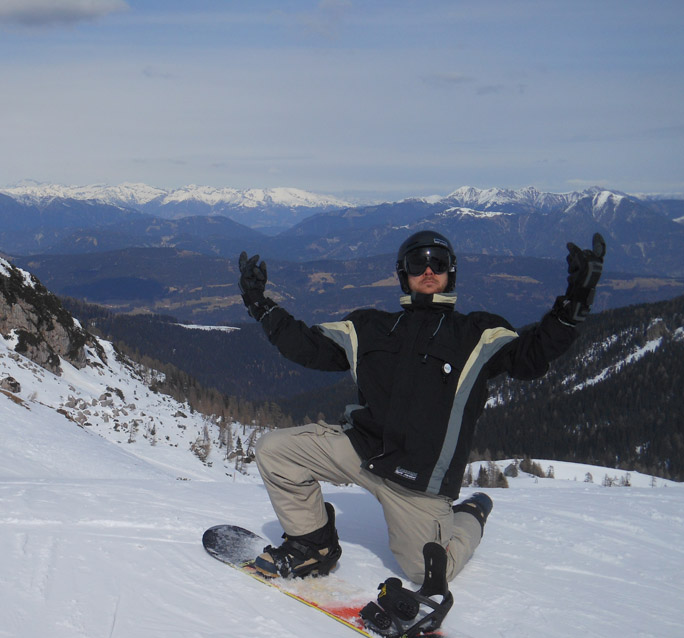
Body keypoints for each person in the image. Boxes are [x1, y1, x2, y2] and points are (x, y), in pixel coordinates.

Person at [237, 230, 605, 585]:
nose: (428, 271)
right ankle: (313, 546)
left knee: (427, 571)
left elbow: (531, 355)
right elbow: (307, 346)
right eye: (417, 263)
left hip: (419, 481)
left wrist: (576, 301)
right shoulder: (369, 327)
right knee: (275, 451)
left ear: (451, 272)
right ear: (403, 274)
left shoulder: (478, 334)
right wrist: (260, 305)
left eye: (438, 262)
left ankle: (470, 514)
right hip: (362, 451)